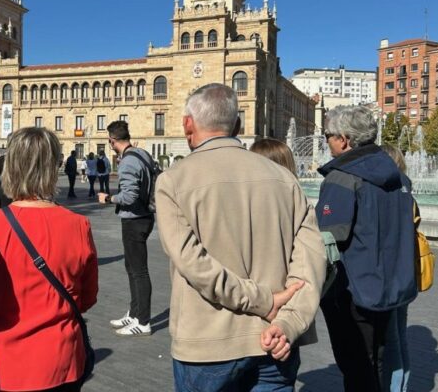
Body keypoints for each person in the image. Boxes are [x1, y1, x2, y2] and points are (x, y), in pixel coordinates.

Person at [155, 84, 326, 391]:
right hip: (276, 340)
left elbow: (194, 264)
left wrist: (262, 301)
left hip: (208, 345)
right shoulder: (284, 179)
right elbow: (311, 261)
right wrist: (289, 321)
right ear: (237, 125)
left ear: (187, 124)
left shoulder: (173, 181)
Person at [0, 127, 98, 391]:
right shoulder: (78, 225)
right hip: (57, 364)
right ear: (53, 167)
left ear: (10, 168)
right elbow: (87, 298)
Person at [317, 105, 417, 392]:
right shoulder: (399, 178)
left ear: (344, 139)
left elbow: (326, 238)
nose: (327, 141)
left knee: (357, 364)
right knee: (379, 361)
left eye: (328, 136)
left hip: (353, 292)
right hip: (391, 287)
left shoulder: (342, 178)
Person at [98, 120, 157, 336]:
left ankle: (143, 322)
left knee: (138, 271)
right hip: (143, 217)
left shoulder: (127, 163)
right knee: (132, 269)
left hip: (135, 219)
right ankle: (134, 313)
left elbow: (129, 195)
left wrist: (109, 198)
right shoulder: (142, 153)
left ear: (111, 140)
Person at [380, 144, 415, 392]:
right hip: (406, 272)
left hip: (391, 273)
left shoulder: (389, 189)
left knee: (391, 339)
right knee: (400, 336)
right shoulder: (406, 187)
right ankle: (400, 386)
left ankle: (393, 388)